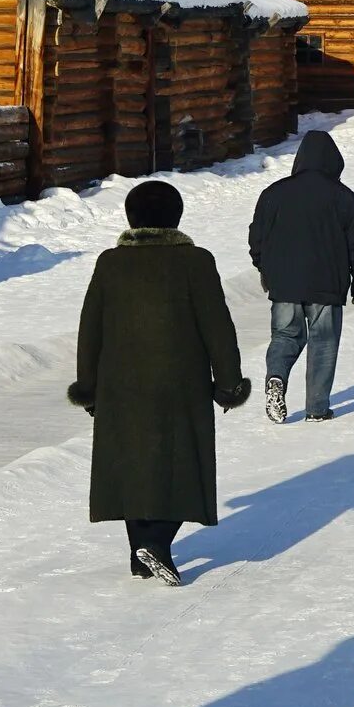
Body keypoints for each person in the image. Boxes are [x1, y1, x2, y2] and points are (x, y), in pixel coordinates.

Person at [73, 180, 248, 582]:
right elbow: (218, 327)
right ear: (176, 216)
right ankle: (155, 545)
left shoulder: (110, 262)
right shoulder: (197, 261)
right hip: (180, 383)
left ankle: (141, 554)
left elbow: (90, 328)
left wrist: (89, 385)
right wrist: (228, 382)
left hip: (121, 383)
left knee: (132, 468)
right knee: (181, 466)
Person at [247, 130, 354, 425]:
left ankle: (276, 376)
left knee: (285, 335)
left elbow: (257, 237)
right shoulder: (345, 198)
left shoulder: (273, 193)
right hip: (327, 282)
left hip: (284, 282)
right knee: (323, 341)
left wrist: (264, 269)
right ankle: (317, 408)